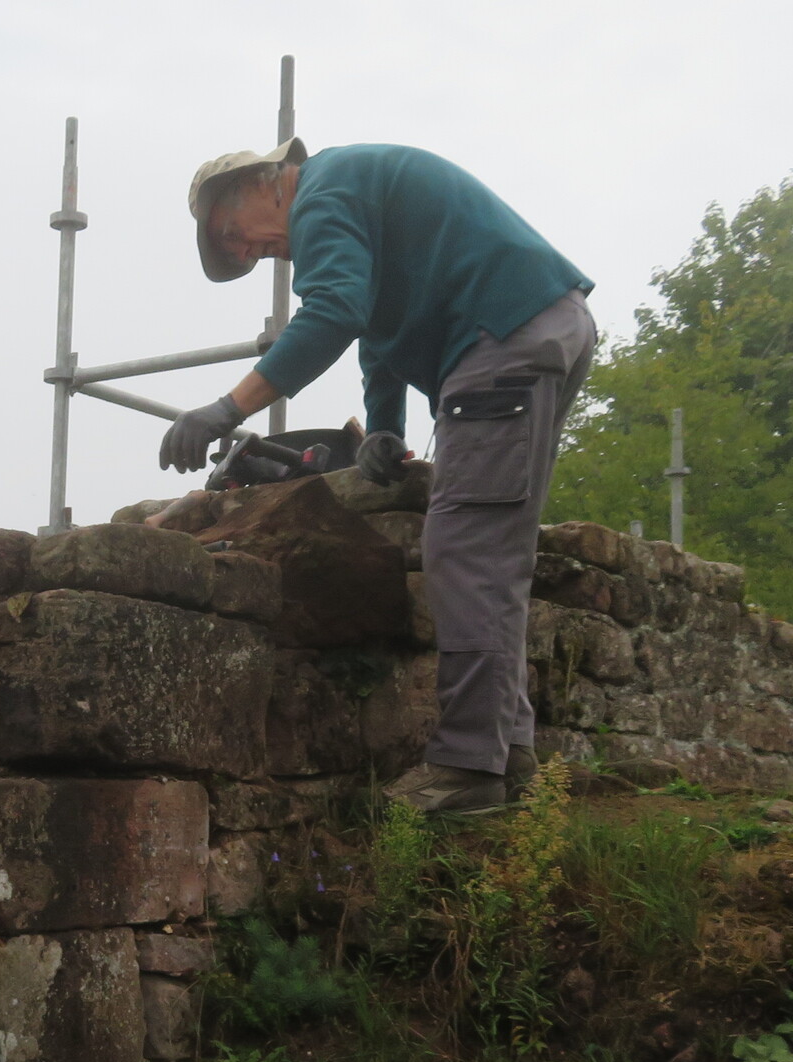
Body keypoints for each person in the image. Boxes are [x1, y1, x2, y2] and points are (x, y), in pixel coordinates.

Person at [163, 138, 596, 816]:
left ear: (262, 181)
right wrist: (384, 428)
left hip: (504, 335)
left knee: (463, 550)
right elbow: (379, 329)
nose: (247, 252)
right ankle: (507, 755)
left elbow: (335, 311)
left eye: (232, 233)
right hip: (538, 324)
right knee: (493, 551)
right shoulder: (356, 189)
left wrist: (227, 409)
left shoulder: (322, 192)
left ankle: (466, 767)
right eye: (235, 251)